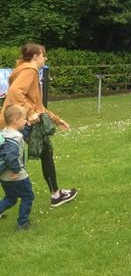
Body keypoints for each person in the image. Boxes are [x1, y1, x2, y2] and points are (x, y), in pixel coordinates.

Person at [0, 44, 77, 207]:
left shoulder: (23, 70)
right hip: (21, 122)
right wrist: (29, 113)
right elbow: (15, 93)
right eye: (43, 55)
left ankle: (8, 201)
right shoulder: (30, 70)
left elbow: (37, 106)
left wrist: (56, 119)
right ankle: (56, 195)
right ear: (35, 56)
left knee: (7, 161)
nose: (45, 58)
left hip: (10, 122)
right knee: (46, 152)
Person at [0, 105, 35, 230]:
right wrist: (16, 170)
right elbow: (10, 156)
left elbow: (21, 133)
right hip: (16, 175)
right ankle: (23, 223)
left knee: (11, 198)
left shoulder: (5, 132)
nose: (25, 121)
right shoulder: (14, 138)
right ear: (15, 120)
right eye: (24, 119)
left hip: (4, 175)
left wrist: (29, 124)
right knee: (28, 196)